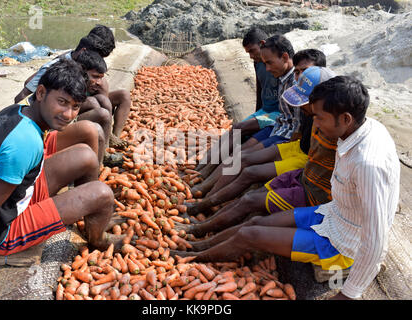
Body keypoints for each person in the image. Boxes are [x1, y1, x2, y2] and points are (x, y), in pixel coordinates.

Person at [172, 76, 401, 300]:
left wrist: (349, 294)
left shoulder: (368, 164)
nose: (316, 125)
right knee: (253, 222)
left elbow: (375, 238)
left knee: (249, 234)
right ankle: (195, 244)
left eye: (319, 118)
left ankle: (192, 257)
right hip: (331, 214)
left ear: (346, 118)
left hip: (343, 244)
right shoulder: (363, 128)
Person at [0, 60, 121, 300]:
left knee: (86, 155)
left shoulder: (19, 110)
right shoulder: (24, 143)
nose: (68, 114)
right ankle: (98, 241)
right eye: (62, 102)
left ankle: (89, 219)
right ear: (41, 92)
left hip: (14, 197)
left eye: (76, 106)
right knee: (102, 194)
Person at [183, 66, 336, 235]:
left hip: (306, 166)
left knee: (251, 186)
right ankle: (203, 192)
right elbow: (299, 133)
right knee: (243, 158)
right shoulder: (313, 113)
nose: (268, 68)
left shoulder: (332, 126)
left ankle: (201, 218)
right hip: (298, 151)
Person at [192, 48, 328, 197]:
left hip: (288, 138)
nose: (300, 76)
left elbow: (298, 130)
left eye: (305, 71)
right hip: (281, 127)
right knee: (239, 142)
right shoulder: (293, 83)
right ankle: (202, 177)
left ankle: (206, 192)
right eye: (298, 72)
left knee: (246, 163)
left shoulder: (316, 100)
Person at [195, 27, 280, 178]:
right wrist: (255, 115)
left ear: (262, 44)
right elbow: (260, 89)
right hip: (265, 112)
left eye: (253, 51)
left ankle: (205, 173)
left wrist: (258, 122)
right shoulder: (258, 63)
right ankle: (203, 167)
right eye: (248, 53)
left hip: (276, 114)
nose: (252, 56)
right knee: (234, 131)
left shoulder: (275, 63)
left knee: (240, 129)